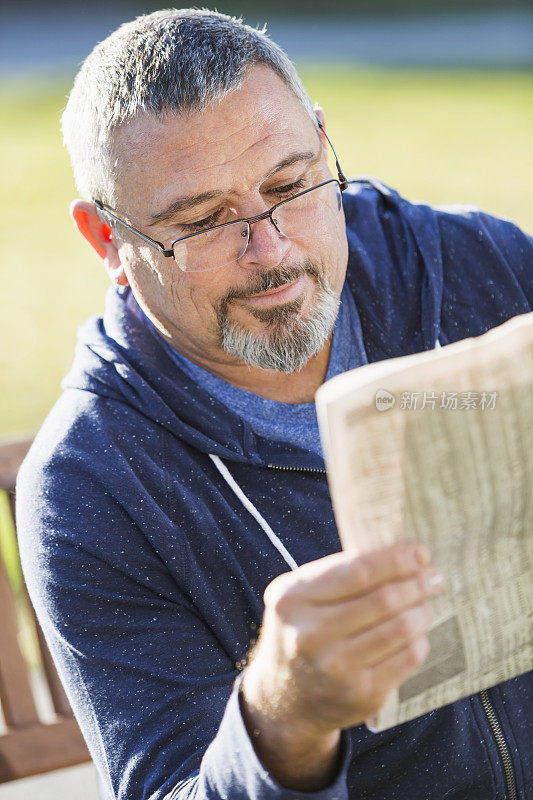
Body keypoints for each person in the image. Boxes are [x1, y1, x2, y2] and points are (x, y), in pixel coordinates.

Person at [16, 8, 532, 800]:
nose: (273, 251)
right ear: (106, 241)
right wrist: (279, 719)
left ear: (323, 143)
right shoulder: (93, 485)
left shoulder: (478, 263)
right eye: (201, 222)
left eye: (290, 186)